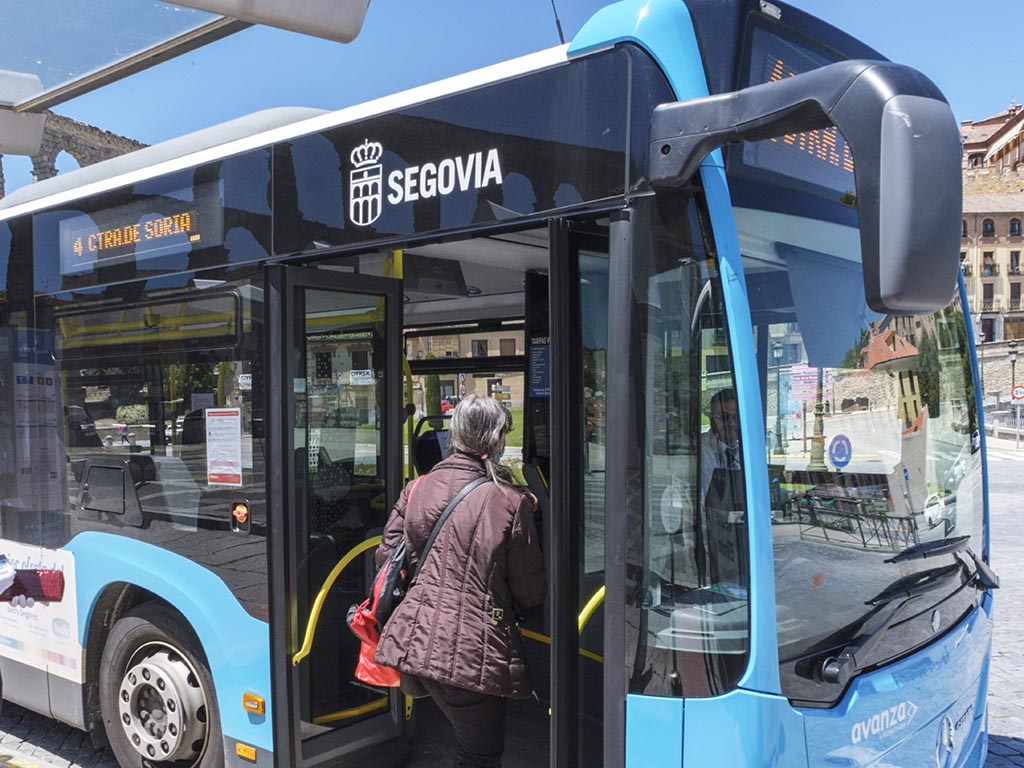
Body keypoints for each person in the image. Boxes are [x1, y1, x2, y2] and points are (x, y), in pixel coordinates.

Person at [374, 394, 546, 768]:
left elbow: (386, 557)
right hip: (470, 652)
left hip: (413, 642)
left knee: (464, 734)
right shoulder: (510, 501)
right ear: (495, 439)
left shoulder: (416, 488)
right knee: (480, 755)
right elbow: (530, 590)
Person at [699, 388, 742, 504]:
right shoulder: (701, 451)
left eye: (736, 417)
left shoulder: (747, 450)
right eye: (724, 417)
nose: (731, 423)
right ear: (711, 419)